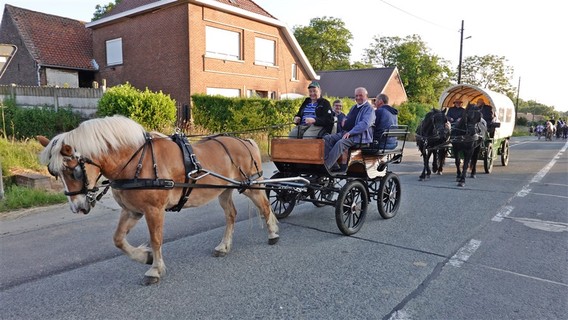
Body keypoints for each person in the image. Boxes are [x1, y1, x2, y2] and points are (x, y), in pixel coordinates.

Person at [323, 87, 375, 171]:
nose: (358, 98)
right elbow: (347, 117)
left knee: (341, 143)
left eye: (360, 95)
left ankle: (326, 166)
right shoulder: (354, 107)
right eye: (356, 96)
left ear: (366, 96)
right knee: (327, 138)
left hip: (360, 137)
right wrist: (344, 120)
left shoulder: (369, 109)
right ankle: (333, 165)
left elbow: (365, 124)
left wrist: (351, 132)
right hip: (347, 133)